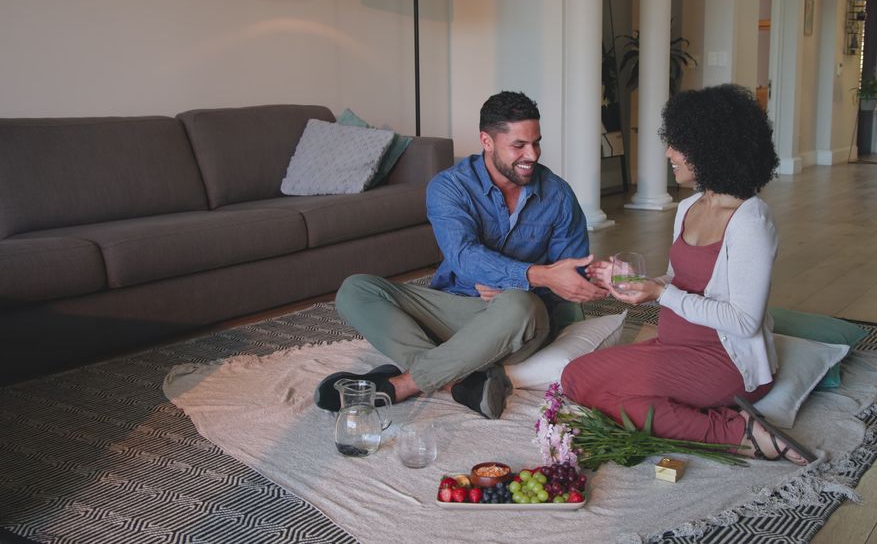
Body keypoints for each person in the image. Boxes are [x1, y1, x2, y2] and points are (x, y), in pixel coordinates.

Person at [561, 84, 814, 465]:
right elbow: (678, 278)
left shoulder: (751, 221)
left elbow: (744, 322)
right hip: (674, 347)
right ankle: (723, 424)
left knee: (610, 397)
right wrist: (634, 283)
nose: (668, 153)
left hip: (725, 362)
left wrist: (661, 295)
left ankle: (737, 433)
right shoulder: (690, 206)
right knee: (575, 378)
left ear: (710, 146)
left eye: (678, 143)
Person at [318, 91, 608, 419]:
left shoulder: (557, 195)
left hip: (520, 321)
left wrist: (538, 285)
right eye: (519, 146)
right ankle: (460, 382)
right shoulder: (450, 187)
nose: (532, 154)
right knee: (356, 290)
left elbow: (569, 281)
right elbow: (463, 257)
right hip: (457, 308)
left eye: (536, 143)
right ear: (487, 140)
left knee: (518, 304)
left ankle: (402, 385)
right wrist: (532, 274)